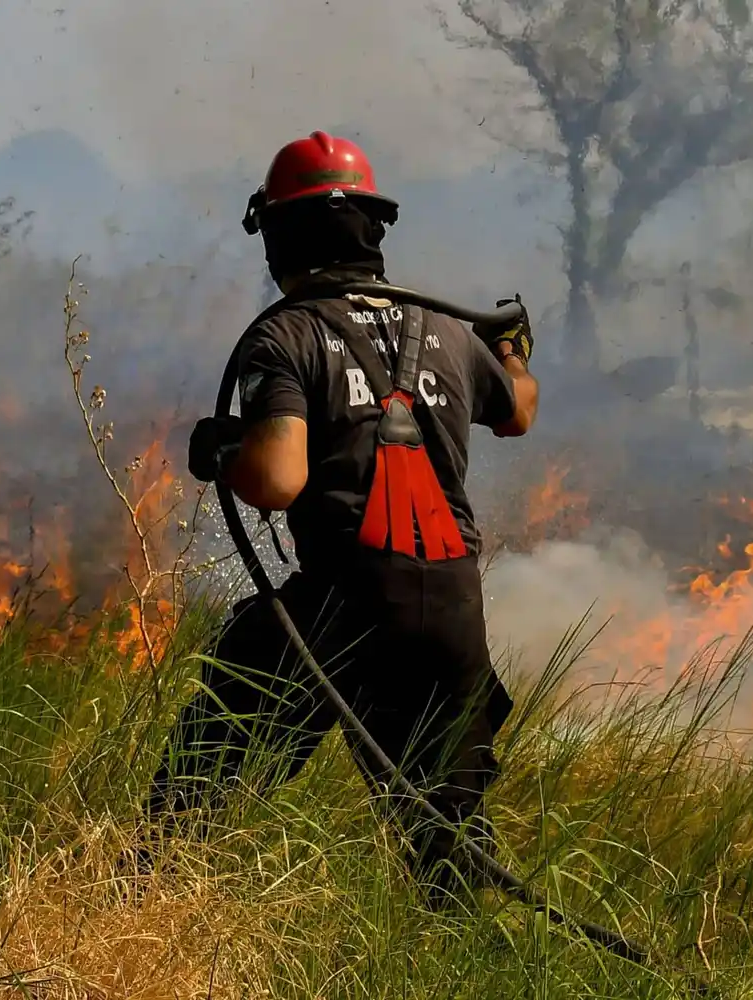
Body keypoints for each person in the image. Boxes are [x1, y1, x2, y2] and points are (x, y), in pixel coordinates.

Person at [141, 130, 540, 909]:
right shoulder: (449, 331)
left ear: (280, 234)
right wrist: (515, 353)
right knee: (447, 840)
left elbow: (278, 477)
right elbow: (517, 412)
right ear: (372, 228)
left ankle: (133, 910)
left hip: (344, 609)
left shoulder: (284, 336)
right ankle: (457, 960)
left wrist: (223, 450)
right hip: (453, 614)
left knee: (201, 781)